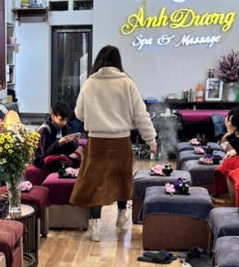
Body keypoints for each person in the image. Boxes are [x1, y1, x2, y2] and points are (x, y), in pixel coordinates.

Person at [69, 44, 157, 241]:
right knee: (122, 178)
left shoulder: (90, 83)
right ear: (118, 62)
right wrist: (151, 139)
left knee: (95, 181)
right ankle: (121, 214)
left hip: (96, 141)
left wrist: (96, 116)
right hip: (121, 141)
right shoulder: (127, 83)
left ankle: (96, 228)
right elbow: (141, 114)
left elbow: (79, 113)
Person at [33, 100, 81, 173]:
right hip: (42, 160)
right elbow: (45, 152)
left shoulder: (62, 127)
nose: (64, 123)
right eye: (61, 119)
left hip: (57, 156)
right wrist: (59, 143)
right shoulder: (44, 130)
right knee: (64, 165)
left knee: (80, 163)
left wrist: (73, 143)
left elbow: (66, 150)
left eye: (66, 120)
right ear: (53, 116)